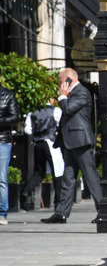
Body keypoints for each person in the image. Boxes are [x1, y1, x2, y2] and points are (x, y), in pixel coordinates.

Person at [42, 68, 102, 224]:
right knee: (68, 178)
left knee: (90, 176)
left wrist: (62, 96)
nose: (59, 85)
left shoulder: (81, 92)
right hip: (70, 141)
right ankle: (61, 213)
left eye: (60, 81)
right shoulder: (74, 93)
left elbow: (68, 109)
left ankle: (103, 211)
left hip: (81, 141)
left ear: (68, 80)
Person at [21, 99, 64, 210]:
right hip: (51, 143)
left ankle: (26, 191)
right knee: (57, 172)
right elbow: (61, 125)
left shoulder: (33, 112)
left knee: (39, 171)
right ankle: (58, 201)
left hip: (38, 143)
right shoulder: (56, 111)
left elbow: (27, 130)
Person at [0, 82, 19, 225]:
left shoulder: (8, 95)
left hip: (2, 140)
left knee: (1, 178)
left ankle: (2, 213)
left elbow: (14, 117)